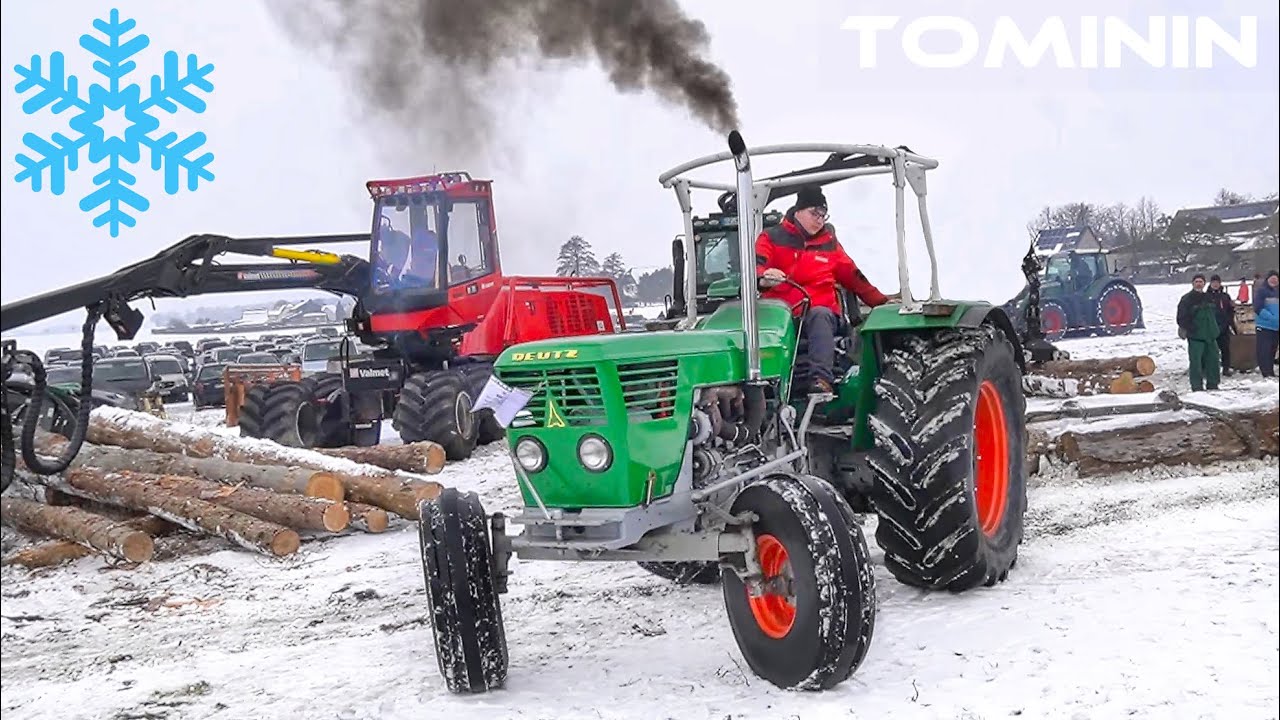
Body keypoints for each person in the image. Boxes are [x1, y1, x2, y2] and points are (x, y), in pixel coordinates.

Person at [756, 184, 891, 394]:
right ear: (798, 211)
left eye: (823, 215)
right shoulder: (771, 238)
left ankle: (821, 380)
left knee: (819, 315)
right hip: (782, 316)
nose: (819, 220)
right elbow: (757, 265)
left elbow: (854, 277)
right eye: (814, 213)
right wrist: (763, 277)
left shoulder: (829, 244)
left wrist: (882, 303)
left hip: (822, 316)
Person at [1176, 273, 1221, 391]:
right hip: (1196, 337)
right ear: (1193, 283)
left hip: (1211, 336)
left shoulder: (1209, 297)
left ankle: (1213, 384)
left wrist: (1216, 328)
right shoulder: (1186, 299)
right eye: (1196, 282)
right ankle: (1197, 387)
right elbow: (1181, 318)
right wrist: (1191, 328)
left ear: (1204, 284)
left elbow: (1217, 314)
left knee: (1213, 361)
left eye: (1201, 282)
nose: (1199, 284)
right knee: (1196, 363)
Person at [1206, 274, 1236, 376]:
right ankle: (1211, 369)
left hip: (1224, 326)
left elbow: (1230, 311)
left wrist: (1230, 323)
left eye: (1217, 283)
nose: (1215, 285)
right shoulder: (1206, 296)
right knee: (1211, 350)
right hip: (1211, 327)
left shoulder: (1225, 296)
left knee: (1225, 349)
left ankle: (1226, 368)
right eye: (1213, 283)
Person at [1253, 269, 1279, 378]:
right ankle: (1265, 373)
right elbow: (1258, 308)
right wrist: (1271, 318)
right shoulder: (1262, 291)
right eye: (1272, 279)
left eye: (1276, 279)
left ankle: (1270, 371)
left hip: (1276, 327)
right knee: (1264, 350)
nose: (1274, 281)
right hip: (1264, 326)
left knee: (1272, 350)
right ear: (1267, 279)